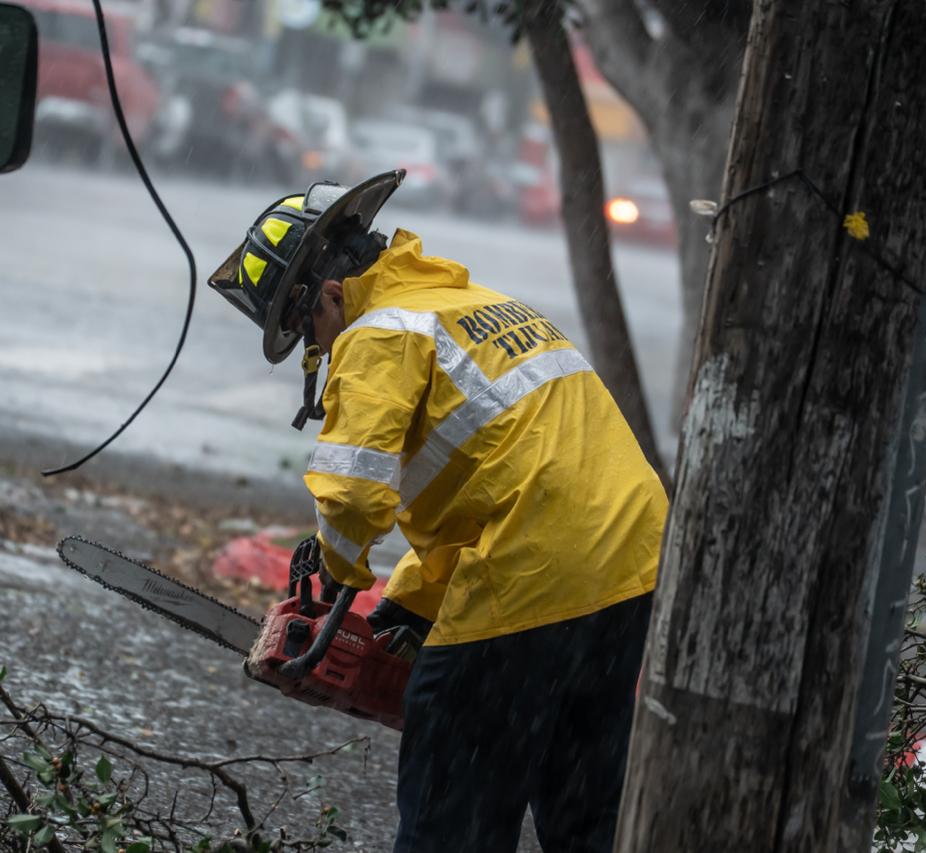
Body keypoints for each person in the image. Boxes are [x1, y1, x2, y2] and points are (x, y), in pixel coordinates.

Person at [208, 171, 667, 853]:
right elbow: (500, 479)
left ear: (329, 294)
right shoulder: (475, 304)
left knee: (452, 805)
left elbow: (353, 491)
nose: (319, 351)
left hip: (532, 573)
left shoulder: (378, 334)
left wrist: (334, 576)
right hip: (629, 568)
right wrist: (409, 606)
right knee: (588, 813)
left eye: (310, 333)